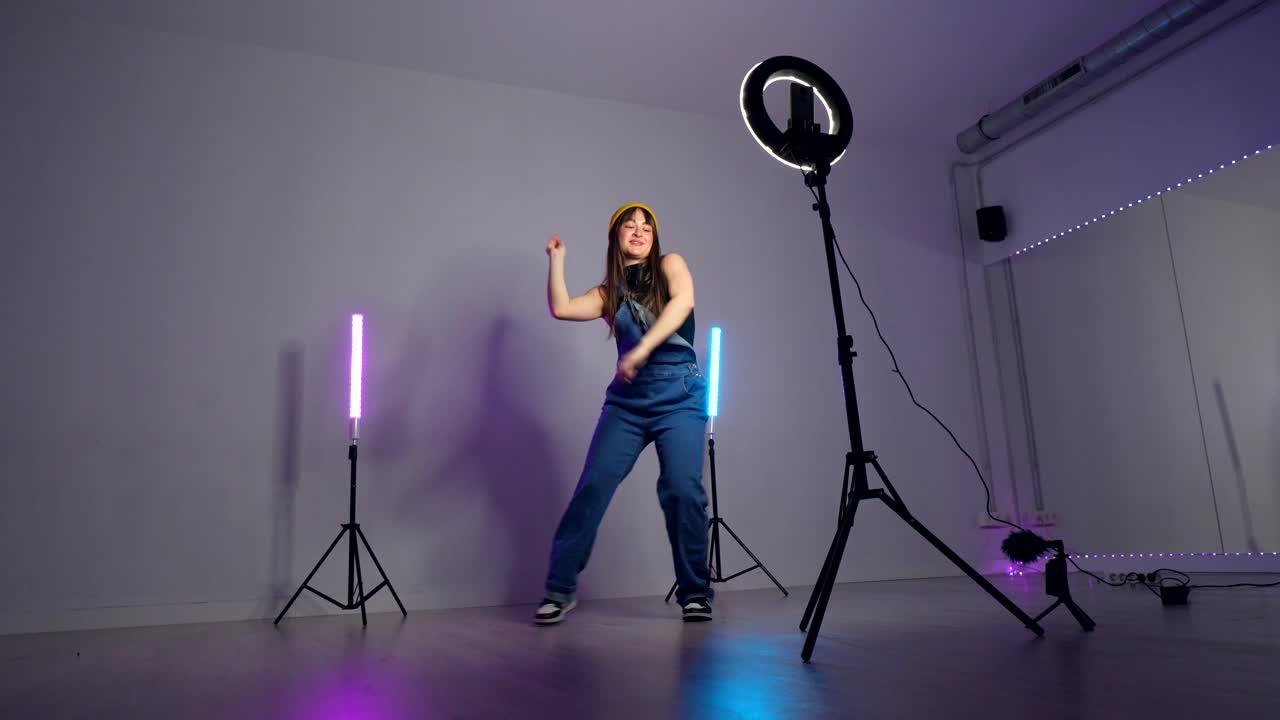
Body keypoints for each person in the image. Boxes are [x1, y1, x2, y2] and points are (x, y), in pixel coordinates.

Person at [535, 203, 713, 624]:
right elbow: (562, 308)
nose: (638, 231)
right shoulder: (608, 293)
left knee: (682, 489)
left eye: (646, 227)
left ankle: (694, 593)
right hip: (628, 402)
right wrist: (557, 260)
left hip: (679, 394)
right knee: (593, 487)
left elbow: (684, 302)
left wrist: (642, 349)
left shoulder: (670, 265)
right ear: (616, 237)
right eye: (629, 226)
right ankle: (559, 590)